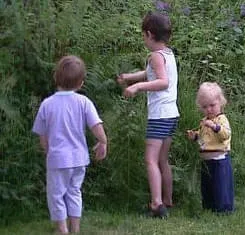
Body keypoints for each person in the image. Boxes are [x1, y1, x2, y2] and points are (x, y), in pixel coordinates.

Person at [32, 55, 107, 234]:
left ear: (55, 77)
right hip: (79, 158)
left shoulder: (47, 104)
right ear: (81, 83)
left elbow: (42, 134)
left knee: (56, 195)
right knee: (74, 192)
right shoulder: (83, 102)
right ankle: (75, 228)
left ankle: (62, 229)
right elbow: (96, 125)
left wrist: (47, 151)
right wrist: (103, 141)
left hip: (57, 159)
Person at [116, 12, 179, 218]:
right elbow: (149, 73)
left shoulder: (155, 56)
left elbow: (162, 81)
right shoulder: (167, 54)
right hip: (171, 115)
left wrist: (137, 88)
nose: (143, 39)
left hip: (160, 115)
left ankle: (156, 204)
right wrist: (129, 78)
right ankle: (168, 201)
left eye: (143, 35)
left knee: (150, 160)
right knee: (162, 160)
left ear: (150, 34)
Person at [186, 82, 234, 213]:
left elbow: (225, 135)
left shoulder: (221, 120)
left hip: (219, 158)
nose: (209, 109)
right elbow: (204, 139)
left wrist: (214, 127)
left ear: (220, 102)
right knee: (207, 185)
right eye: (205, 107)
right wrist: (195, 136)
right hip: (206, 159)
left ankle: (224, 208)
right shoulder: (204, 121)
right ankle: (209, 206)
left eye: (212, 105)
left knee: (221, 184)